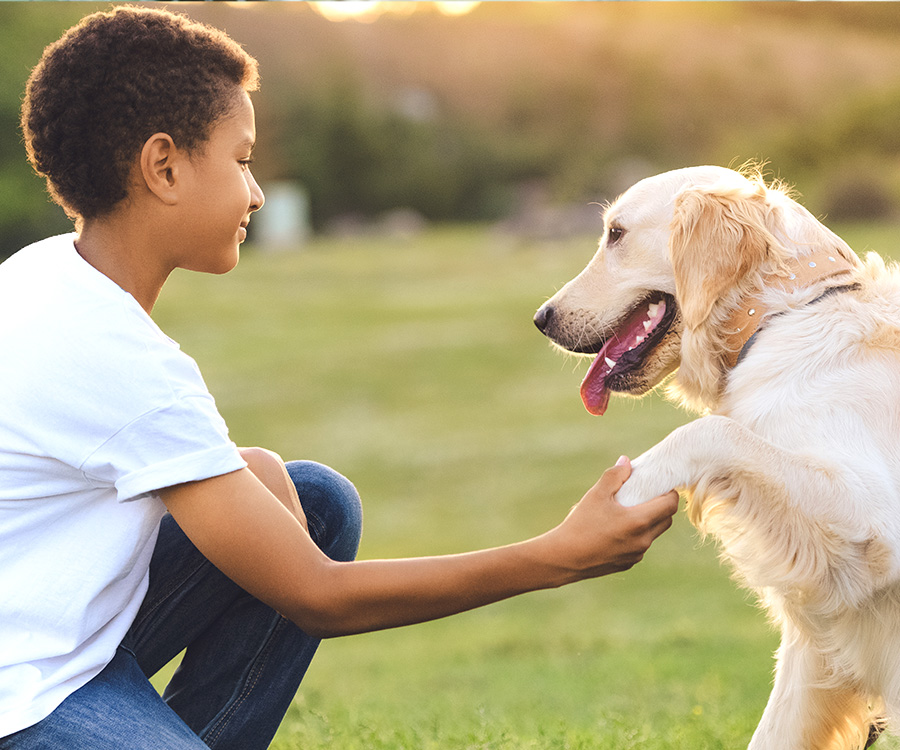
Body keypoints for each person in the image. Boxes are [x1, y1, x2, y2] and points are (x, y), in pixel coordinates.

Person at [0, 7, 679, 749]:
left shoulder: (43, 276)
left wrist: (248, 468)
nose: (256, 193)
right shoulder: (117, 358)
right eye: (242, 160)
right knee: (300, 541)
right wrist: (558, 555)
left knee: (313, 502)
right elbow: (318, 598)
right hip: (26, 689)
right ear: (164, 166)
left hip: (51, 631)